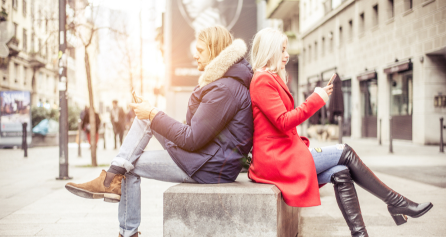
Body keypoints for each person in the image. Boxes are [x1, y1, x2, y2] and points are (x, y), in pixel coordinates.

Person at [65, 26, 254, 237]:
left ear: (214, 50)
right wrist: (151, 114)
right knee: (143, 124)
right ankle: (112, 180)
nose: (195, 54)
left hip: (210, 166)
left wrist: (154, 114)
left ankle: (119, 206)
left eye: (200, 50)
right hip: (208, 157)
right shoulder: (223, 84)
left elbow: (191, 139)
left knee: (130, 165)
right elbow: (197, 132)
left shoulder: (225, 89)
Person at [248, 28, 432, 237]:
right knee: (344, 150)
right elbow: (283, 121)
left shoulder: (271, 78)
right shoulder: (263, 79)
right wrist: (316, 99)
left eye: (286, 50)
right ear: (270, 51)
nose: (286, 55)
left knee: (341, 172)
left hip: (284, 155)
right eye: (281, 50)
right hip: (277, 161)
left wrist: (318, 97)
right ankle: (396, 202)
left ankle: (361, 234)